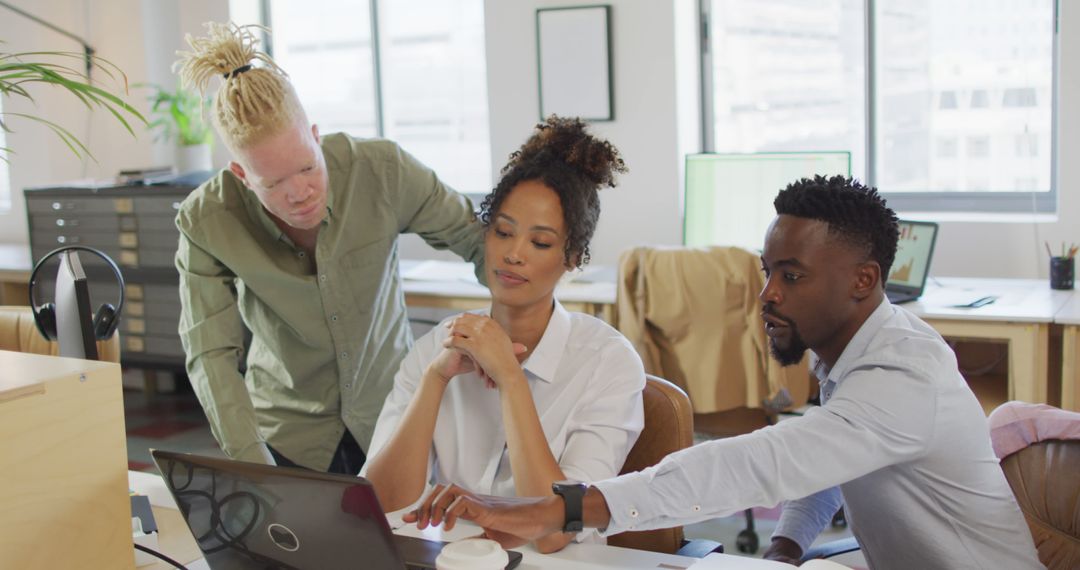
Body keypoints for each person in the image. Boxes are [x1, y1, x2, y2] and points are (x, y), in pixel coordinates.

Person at [404, 176, 1044, 570]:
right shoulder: (857, 353)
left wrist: (567, 507)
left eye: (791, 275)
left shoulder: (904, 374)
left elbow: (761, 463)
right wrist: (789, 547)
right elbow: (832, 458)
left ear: (863, 281)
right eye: (768, 271)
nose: (767, 294)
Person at [172, 22, 485, 474]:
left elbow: (477, 238)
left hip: (394, 417)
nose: (299, 193)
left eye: (306, 167)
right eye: (274, 183)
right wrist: (254, 467)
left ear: (315, 135)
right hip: (287, 436)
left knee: (408, 543)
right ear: (242, 175)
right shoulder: (207, 220)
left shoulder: (382, 171)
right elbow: (210, 355)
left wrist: (518, 345)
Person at [362, 116, 644, 553]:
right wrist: (435, 380)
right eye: (503, 232)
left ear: (571, 257)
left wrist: (511, 378)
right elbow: (379, 506)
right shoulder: (435, 347)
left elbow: (555, 533)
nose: (513, 254)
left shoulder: (609, 363)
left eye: (540, 243)